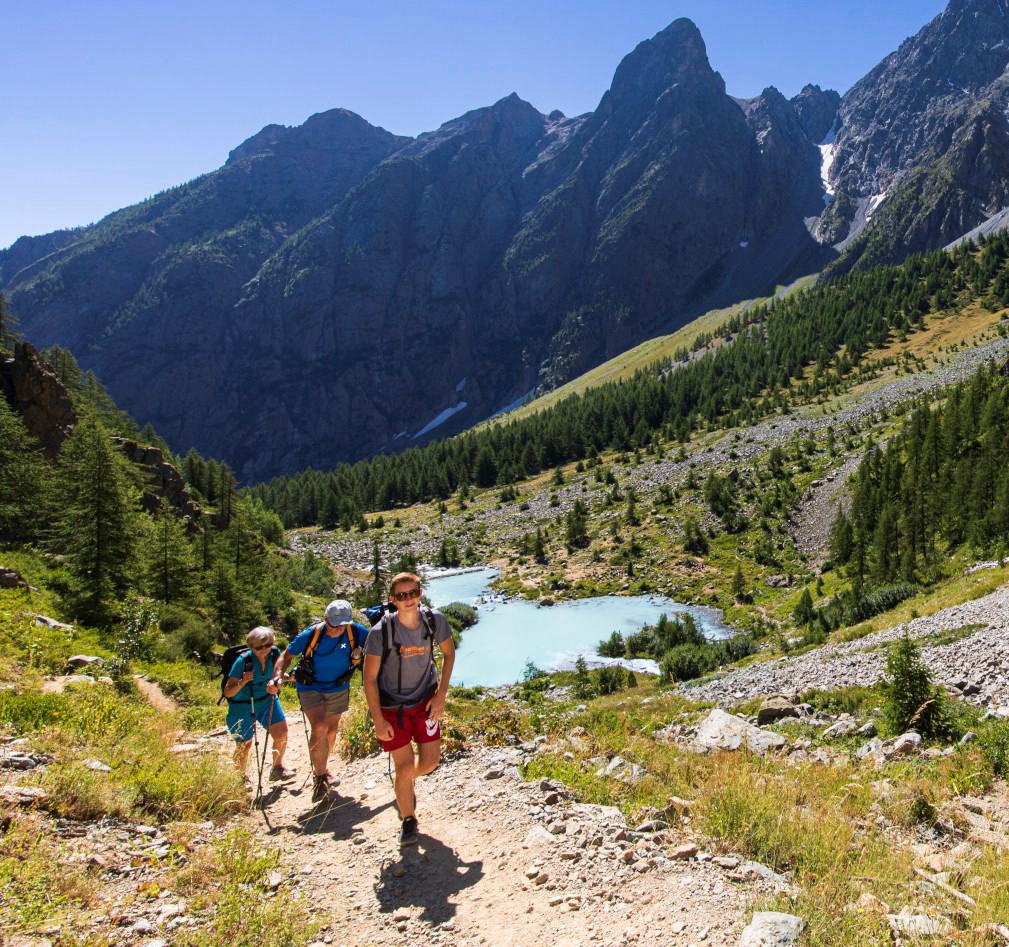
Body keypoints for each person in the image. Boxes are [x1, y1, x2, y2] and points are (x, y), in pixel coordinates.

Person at [363, 572, 455, 846]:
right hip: (392, 707)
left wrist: (440, 695)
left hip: (425, 701)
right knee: (403, 766)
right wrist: (378, 719)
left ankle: (403, 785)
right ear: (393, 600)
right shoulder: (381, 632)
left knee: (429, 763)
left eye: (412, 593)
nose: (408, 599)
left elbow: (449, 653)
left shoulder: (433, 620)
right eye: (402, 596)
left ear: (420, 592)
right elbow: (369, 678)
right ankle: (408, 819)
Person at [275, 599, 369, 802]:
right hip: (310, 686)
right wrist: (277, 676)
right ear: (326, 619)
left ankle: (323, 767)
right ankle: (319, 779)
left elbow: (377, 646)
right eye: (334, 625)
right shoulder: (311, 635)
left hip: (338, 685)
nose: (337, 630)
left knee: (332, 730)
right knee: (319, 726)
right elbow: (287, 655)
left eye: (342, 625)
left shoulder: (356, 632)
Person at [222, 626, 291, 780]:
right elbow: (228, 692)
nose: (264, 649)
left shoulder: (274, 654)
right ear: (250, 646)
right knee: (244, 745)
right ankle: (240, 779)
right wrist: (243, 681)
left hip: (267, 700)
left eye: (268, 644)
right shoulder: (242, 661)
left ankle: (277, 768)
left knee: (281, 733)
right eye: (259, 647)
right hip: (242, 706)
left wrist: (280, 681)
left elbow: (276, 674)